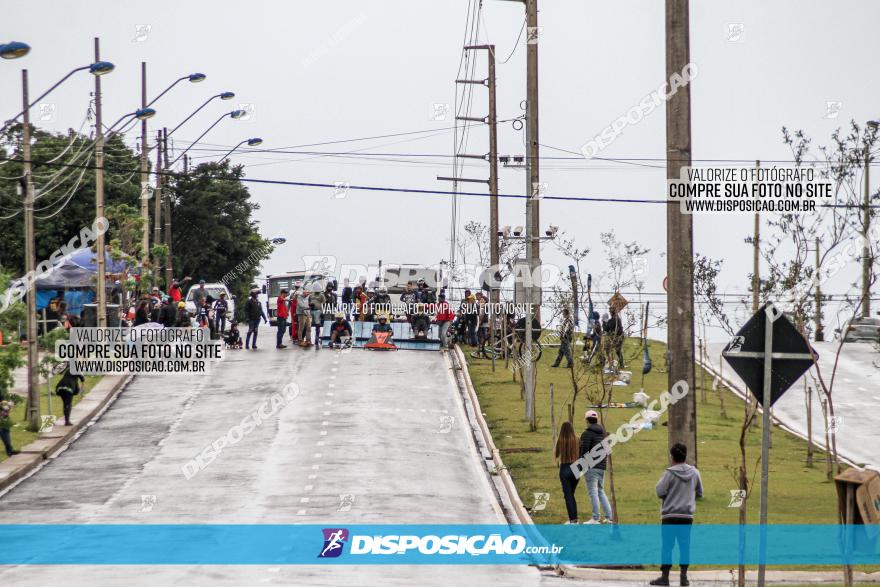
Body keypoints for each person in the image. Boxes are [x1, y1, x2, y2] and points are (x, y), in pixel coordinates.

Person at [650, 443, 703, 587]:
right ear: (685, 455)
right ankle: (683, 577)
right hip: (687, 517)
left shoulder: (669, 473)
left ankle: (665, 577)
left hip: (669, 516)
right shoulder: (695, 472)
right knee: (685, 546)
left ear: (672, 456)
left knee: (667, 546)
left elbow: (659, 491)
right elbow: (700, 492)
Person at [579, 410, 614, 524]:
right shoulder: (603, 433)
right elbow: (607, 450)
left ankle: (595, 518)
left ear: (587, 420)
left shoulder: (587, 434)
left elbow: (584, 452)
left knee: (592, 492)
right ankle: (609, 516)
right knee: (600, 491)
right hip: (601, 466)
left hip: (591, 467)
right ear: (597, 419)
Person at [555, 421, 581, 524]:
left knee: (568, 496)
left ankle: (573, 520)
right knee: (571, 494)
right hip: (576, 469)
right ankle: (575, 518)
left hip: (565, 468)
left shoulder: (560, 441)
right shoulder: (577, 440)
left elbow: (557, 455)